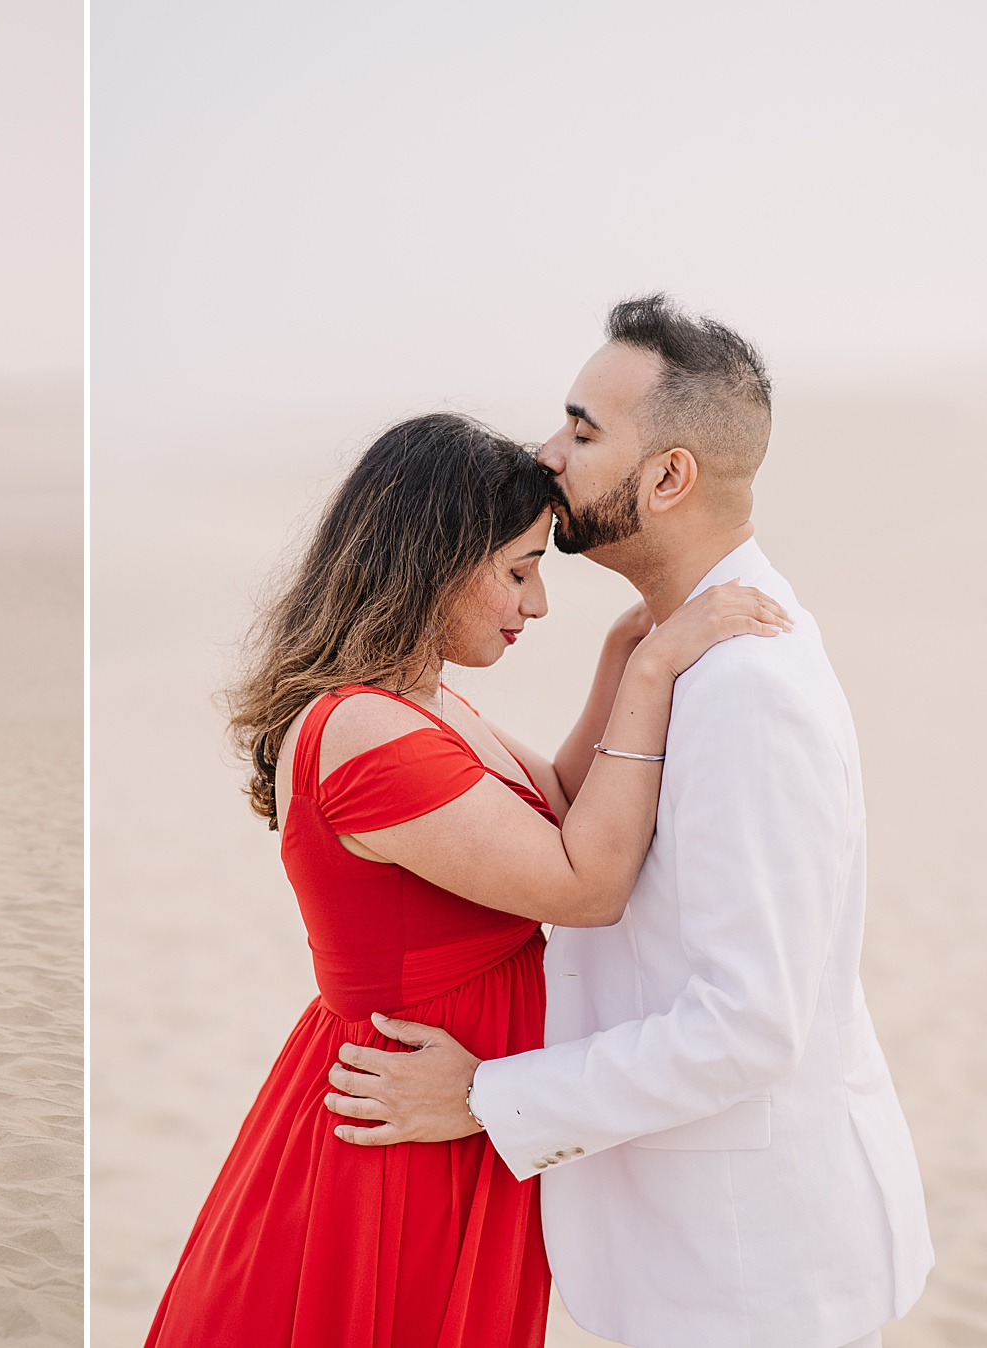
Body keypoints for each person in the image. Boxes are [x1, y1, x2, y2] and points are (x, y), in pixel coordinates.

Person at [327, 297, 935, 1348]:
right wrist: (635, 658)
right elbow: (569, 820)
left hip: (749, 1275)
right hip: (685, 1259)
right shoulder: (676, 651)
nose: (548, 452)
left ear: (667, 479)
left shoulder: (746, 684)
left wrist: (484, 1097)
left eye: (583, 429)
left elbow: (747, 1023)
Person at [143, 412, 787, 1347]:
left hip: (458, 1112)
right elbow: (586, 882)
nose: (535, 605)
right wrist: (655, 665)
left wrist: (618, 654)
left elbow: (561, 801)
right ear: (438, 559)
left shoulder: (416, 698)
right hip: (401, 1134)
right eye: (518, 571)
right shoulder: (362, 731)